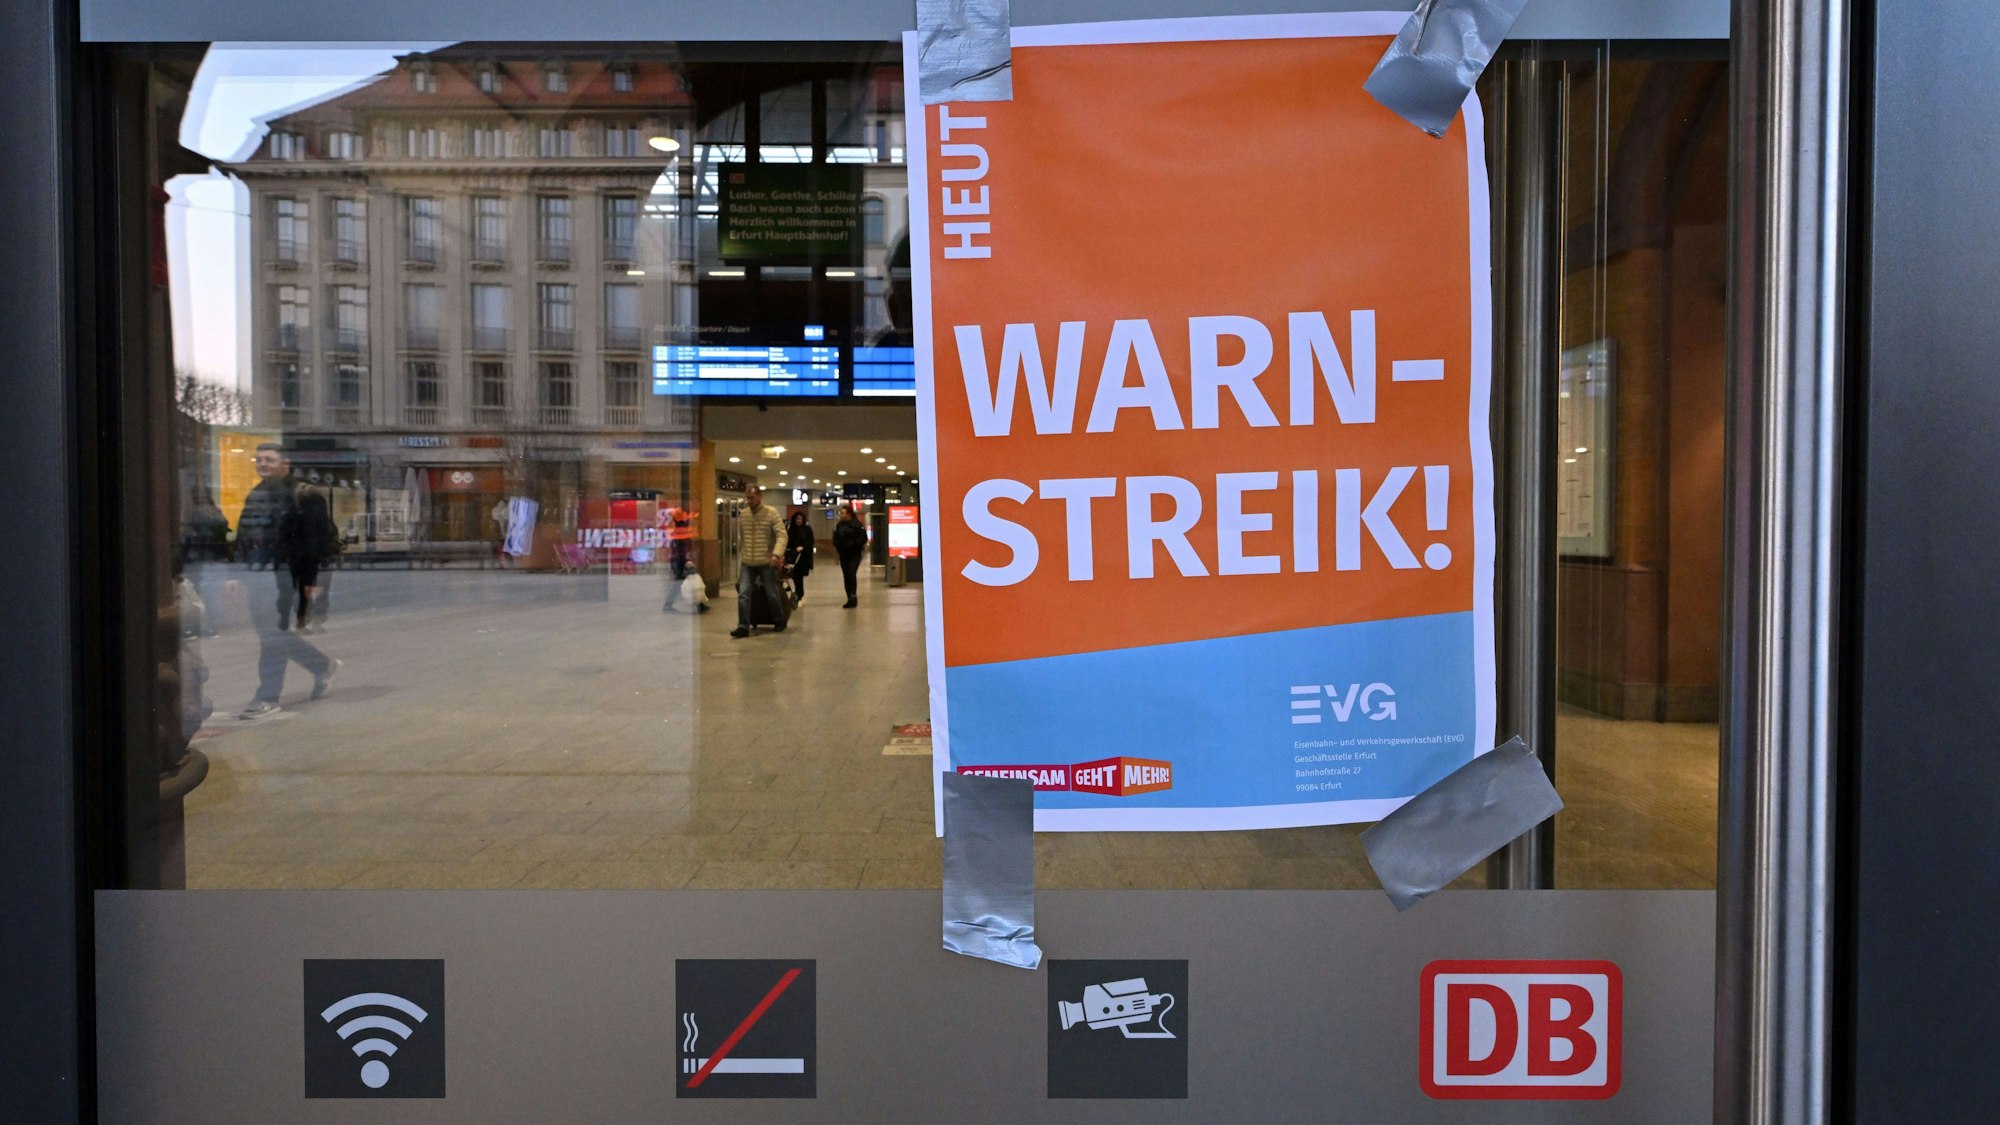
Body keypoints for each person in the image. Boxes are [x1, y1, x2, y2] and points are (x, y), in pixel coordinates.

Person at [235, 443, 339, 718]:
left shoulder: (303, 495)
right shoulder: (256, 494)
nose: (263, 464)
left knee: (273, 634)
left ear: (286, 464)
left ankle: (267, 696)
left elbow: (316, 543)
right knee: (272, 634)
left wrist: (311, 582)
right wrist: (238, 571)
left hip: (288, 577)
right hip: (261, 575)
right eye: (259, 459)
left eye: (269, 459)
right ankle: (321, 665)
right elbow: (245, 534)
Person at [730, 485, 789, 639]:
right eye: (747, 498)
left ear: (760, 496)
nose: (749, 501)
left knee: (771, 593)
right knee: (743, 593)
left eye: (752, 498)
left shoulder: (771, 513)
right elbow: (742, 536)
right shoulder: (744, 514)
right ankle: (743, 626)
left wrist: (776, 555)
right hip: (747, 562)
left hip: (766, 562)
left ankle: (779, 620)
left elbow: (782, 535)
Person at [660, 499, 705, 612]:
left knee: (688, 581)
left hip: (681, 560)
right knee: (685, 582)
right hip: (680, 561)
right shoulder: (680, 536)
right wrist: (686, 560)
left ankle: (699, 605)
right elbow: (679, 551)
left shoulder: (680, 535)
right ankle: (698, 605)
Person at [833, 505, 868, 609]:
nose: (841, 515)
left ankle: (853, 595)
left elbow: (863, 538)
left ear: (848, 514)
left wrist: (854, 544)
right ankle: (849, 597)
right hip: (843, 554)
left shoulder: (857, 524)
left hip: (854, 553)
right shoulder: (840, 525)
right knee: (846, 576)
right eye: (840, 513)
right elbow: (836, 538)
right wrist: (838, 545)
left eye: (843, 513)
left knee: (851, 573)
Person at [783, 510, 815, 604]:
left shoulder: (807, 529)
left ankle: (799, 594)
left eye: (800, 518)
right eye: (797, 519)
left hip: (803, 557)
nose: (798, 521)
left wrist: (803, 547)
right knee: (795, 576)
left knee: (798, 576)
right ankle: (798, 594)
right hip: (793, 556)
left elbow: (811, 542)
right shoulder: (791, 530)